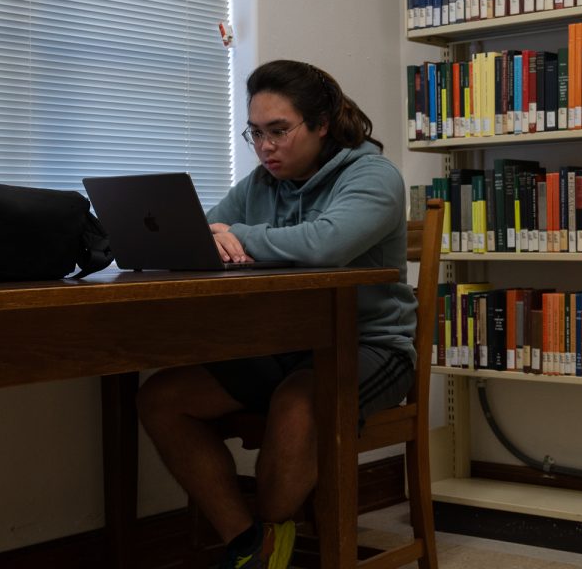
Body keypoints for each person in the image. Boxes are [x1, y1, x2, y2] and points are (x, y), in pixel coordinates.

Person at [136, 59, 416, 569]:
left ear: (321, 124)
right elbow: (203, 230)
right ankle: (252, 543)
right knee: (162, 398)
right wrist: (212, 233)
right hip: (282, 344)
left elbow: (326, 244)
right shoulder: (260, 183)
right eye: (256, 133)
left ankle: (268, 539)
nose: (265, 147)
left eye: (279, 132)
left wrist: (237, 235)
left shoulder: (373, 176)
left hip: (370, 346)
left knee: (298, 402)